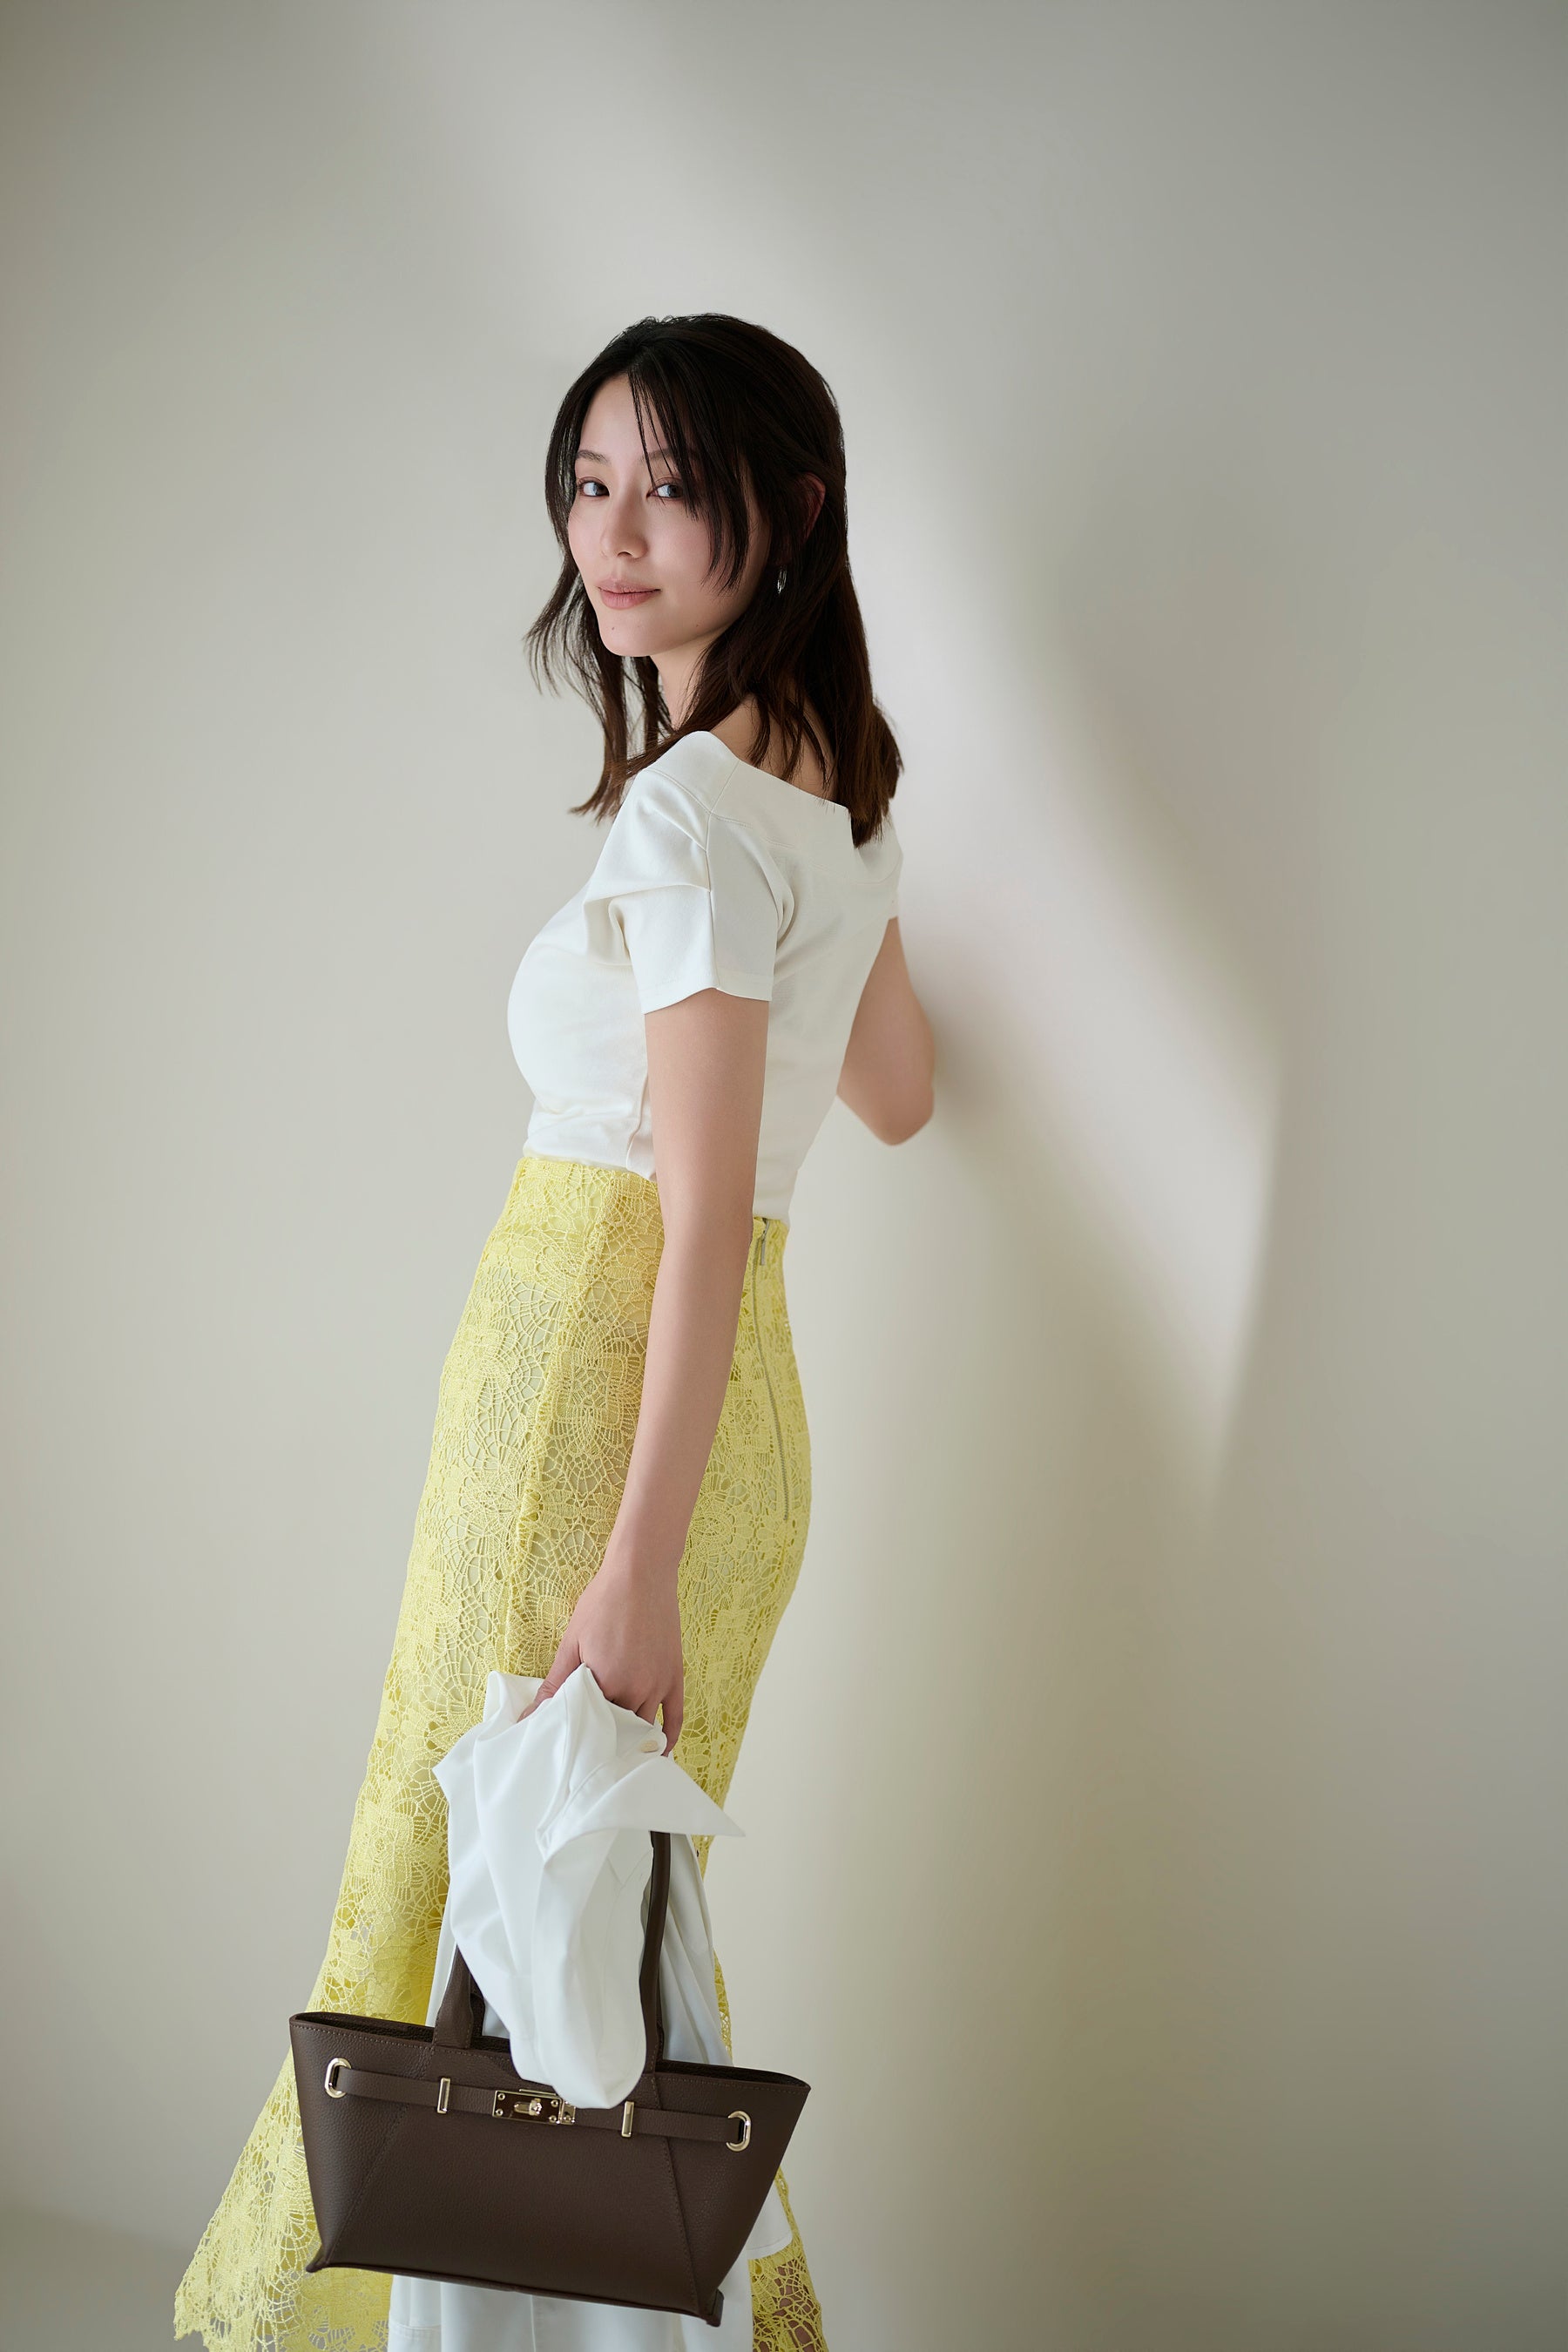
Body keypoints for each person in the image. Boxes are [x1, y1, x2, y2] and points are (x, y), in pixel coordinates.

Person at [174, 310, 936, 2352]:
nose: (614, 533)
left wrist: (634, 1560)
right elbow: (899, 1091)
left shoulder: (698, 819)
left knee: (467, 1899)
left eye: (671, 488)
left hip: (595, 1407)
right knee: (595, 1925)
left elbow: (694, 1218)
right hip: (736, 1417)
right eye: (591, 482)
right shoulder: (844, 800)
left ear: (792, 510)